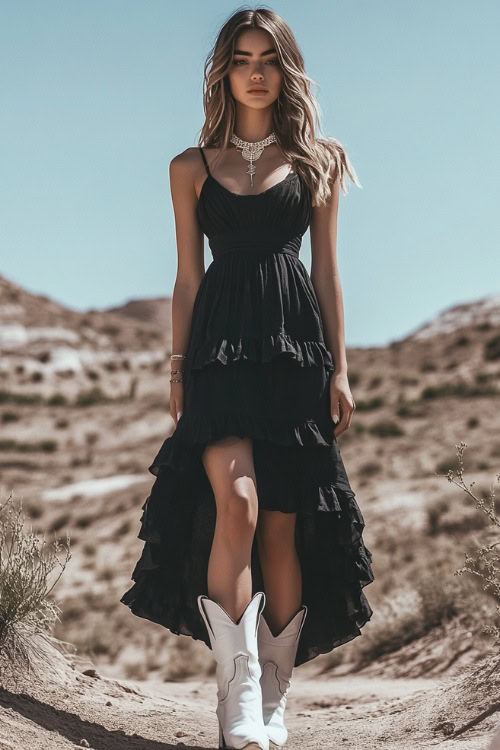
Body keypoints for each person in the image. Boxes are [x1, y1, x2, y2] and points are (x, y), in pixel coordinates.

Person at [121, 7, 374, 749]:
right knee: (237, 505)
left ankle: (274, 702)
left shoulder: (319, 161)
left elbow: (326, 273)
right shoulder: (190, 167)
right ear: (225, 70)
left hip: (297, 354)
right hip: (218, 354)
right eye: (241, 57)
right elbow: (185, 279)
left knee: (284, 531)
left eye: (268, 57)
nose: (255, 70)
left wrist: (342, 370)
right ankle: (237, 703)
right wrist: (176, 367)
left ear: (284, 69)